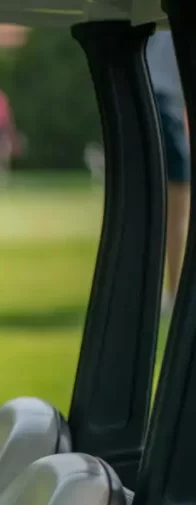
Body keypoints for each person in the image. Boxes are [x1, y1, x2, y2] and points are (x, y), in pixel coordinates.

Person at [147, 30, 190, 316]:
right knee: (178, 213)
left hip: (144, 102)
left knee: (156, 212)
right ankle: (173, 293)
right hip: (167, 107)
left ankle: (162, 292)